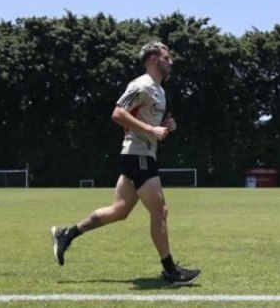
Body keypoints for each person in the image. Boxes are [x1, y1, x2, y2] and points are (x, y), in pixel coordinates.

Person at [51, 40, 201, 285]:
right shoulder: (141, 85)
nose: (171, 61)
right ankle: (171, 271)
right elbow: (118, 113)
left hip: (141, 154)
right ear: (153, 59)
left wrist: (165, 127)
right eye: (166, 57)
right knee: (160, 210)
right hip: (137, 154)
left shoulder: (160, 91)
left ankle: (66, 234)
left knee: (118, 211)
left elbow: (151, 124)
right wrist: (152, 129)